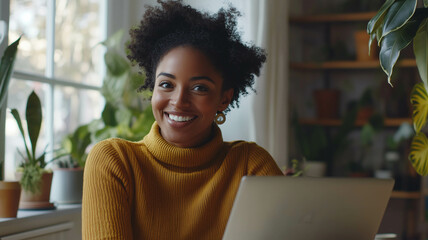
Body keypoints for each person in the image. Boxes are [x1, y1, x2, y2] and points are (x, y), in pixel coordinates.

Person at [82, 1, 283, 239]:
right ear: (152, 88)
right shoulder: (115, 162)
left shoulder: (250, 165)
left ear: (224, 99)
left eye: (199, 88)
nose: (179, 101)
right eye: (166, 84)